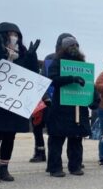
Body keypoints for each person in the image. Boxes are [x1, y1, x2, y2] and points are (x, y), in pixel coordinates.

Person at [0, 23, 39, 183]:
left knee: (10, 135)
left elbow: (32, 74)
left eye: (16, 34)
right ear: (1, 35)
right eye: (10, 33)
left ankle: (4, 168)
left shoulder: (22, 53)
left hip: (14, 101)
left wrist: (32, 58)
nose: (13, 36)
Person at [46, 35, 100, 177]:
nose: (74, 48)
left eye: (76, 45)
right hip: (61, 106)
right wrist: (71, 79)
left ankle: (75, 166)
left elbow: (89, 84)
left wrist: (95, 97)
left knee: (76, 138)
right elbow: (51, 79)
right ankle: (55, 168)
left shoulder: (83, 64)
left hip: (79, 105)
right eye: (71, 46)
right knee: (57, 138)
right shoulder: (57, 62)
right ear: (64, 48)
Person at [29, 33, 73, 163]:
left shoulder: (77, 60)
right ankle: (39, 151)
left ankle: (74, 158)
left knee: (66, 129)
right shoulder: (50, 58)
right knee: (38, 125)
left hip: (68, 99)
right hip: (49, 99)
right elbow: (43, 79)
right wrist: (45, 97)